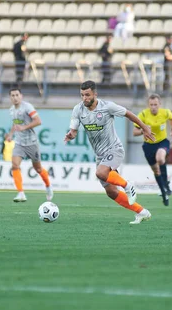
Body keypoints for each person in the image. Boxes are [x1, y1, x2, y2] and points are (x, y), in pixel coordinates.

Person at [64, 80, 155, 224]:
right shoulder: (78, 109)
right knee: (111, 192)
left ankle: (128, 185)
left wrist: (144, 127)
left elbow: (128, 113)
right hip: (100, 155)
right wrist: (71, 135)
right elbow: (74, 131)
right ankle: (142, 212)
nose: (84, 98)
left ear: (95, 94)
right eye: (82, 95)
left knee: (100, 173)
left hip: (114, 149)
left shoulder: (107, 107)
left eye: (87, 95)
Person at [6, 88, 53, 202]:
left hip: (31, 142)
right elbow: (15, 123)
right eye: (12, 95)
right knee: (15, 165)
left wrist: (24, 127)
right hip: (19, 143)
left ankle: (48, 186)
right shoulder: (11, 110)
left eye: (17, 95)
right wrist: (11, 135)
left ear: (21, 96)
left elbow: (38, 121)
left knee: (38, 168)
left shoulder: (27, 107)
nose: (15, 97)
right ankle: (21, 193)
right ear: (10, 98)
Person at [133, 94, 172, 205]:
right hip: (148, 145)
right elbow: (134, 132)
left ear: (160, 104)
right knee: (156, 171)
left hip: (162, 142)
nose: (153, 107)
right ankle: (164, 193)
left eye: (155, 104)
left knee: (160, 158)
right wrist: (144, 131)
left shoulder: (165, 112)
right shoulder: (143, 115)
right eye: (151, 105)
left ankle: (166, 185)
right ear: (148, 105)